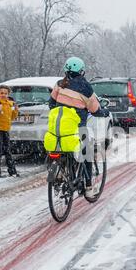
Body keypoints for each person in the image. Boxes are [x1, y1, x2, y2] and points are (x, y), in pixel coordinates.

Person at [45, 57, 110, 198]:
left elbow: (51, 103)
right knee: (86, 153)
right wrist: (104, 112)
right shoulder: (85, 87)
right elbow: (95, 110)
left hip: (58, 128)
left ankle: (62, 172)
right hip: (76, 128)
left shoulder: (59, 84)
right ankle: (88, 187)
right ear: (82, 71)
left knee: (62, 148)